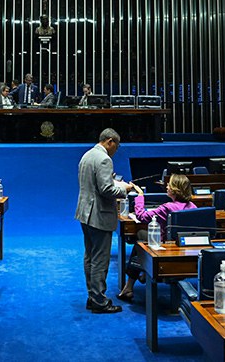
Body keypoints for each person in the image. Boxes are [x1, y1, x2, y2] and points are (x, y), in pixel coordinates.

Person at [75, 128, 131, 313]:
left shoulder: (87, 155)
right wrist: (125, 189)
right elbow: (106, 190)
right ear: (110, 141)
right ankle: (99, 301)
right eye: (117, 145)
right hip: (99, 215)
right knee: (100, 259)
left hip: (85, 213)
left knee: (90, 256)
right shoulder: (105, 159)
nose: (116, 149)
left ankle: (92, 296)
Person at [117, 174, 196, 303]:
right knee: (144, 237)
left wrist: (140, 196)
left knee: (141, 237)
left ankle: (130, 284)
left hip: (165, 249)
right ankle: (141, 274)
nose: (167, 186)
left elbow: (142, 216)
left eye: (169, 184)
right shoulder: (193, 207)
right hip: (184, 249)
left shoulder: (167, 208)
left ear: (175, 189)